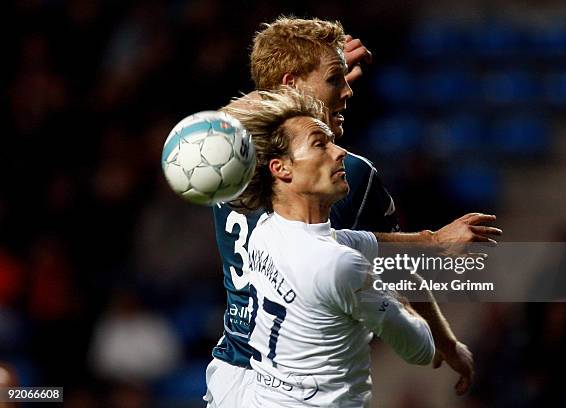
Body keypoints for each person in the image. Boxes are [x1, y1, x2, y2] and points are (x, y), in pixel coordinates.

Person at [205, 17, 500, 407]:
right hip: (302, 382)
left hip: (232, 374)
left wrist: (305, 85)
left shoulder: (225, 158)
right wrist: (445, 344)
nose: (347, 91)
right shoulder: (348, 175)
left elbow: (219, 122)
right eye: (335, 80)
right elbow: (393, 271)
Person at [230, 87, 435, 407]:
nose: (339, 152)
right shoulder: (340, 266)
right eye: (319, 144)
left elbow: (343, 240)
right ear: (281, 167)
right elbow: (421, 349)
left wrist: (429, 240)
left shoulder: (265, 231)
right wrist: (395, 293)